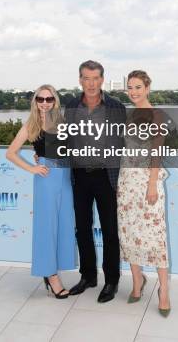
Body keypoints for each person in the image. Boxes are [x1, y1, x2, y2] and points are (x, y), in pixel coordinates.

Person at [6, 84, 76, 299]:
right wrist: (33, 167)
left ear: (55, 101)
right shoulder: (31, 125)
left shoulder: (63, 122)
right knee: (47, 229)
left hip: (66, 177)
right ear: (35, 101)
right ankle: (52, 277)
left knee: (64, 226)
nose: (44, 103)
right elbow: (11, 153)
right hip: (46, 180)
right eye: (40, 99)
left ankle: (55, 269)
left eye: (49, 99)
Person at [65, 60, 126, 303]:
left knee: (110, 231)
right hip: (79, 175)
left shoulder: (115, 106)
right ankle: (88, 276)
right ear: (80, 80)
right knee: (82, 229)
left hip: (106, 176)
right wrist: (42, 152)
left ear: (102, 80)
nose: (91, 83)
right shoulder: (71, 106)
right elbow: (63, 140)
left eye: (95, 78)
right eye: (86, 78)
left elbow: (124, 143)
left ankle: (111, 281)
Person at [117, 70, 171, 316]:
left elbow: (156, 154)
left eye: (138, 87)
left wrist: (151, 185)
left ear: (148, 88)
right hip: (127, 181)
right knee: (128, 231)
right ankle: (137, 282)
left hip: (147, 181)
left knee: (155, 236)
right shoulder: (129, 115)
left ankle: (164, 291)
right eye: (130, 87)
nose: (134, 92)